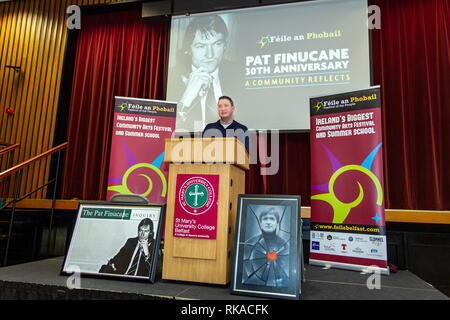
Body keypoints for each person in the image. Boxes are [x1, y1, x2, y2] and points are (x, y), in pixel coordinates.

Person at [171, 15, 238, 130]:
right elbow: (162, 133)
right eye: (201, 46)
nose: (210, 54)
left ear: (225, 45)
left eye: (217, 44)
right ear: (188, 49)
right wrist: (185, 100)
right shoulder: (170, 78)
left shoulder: (239, 73)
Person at [243, 207, 290, 287]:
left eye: (272, 219)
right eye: (265, 219)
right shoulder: (250, 243)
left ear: (277, 223)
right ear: (260, 223)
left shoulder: (284, 245)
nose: (268, 222)